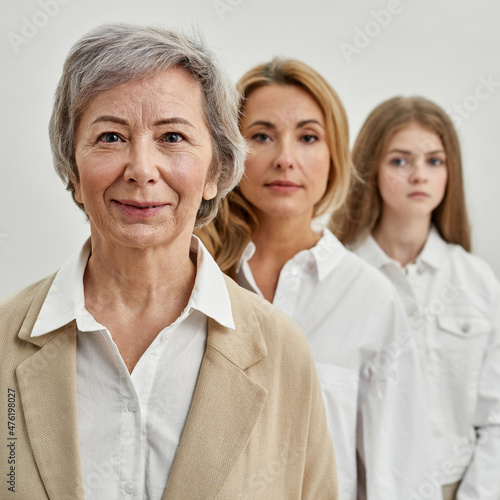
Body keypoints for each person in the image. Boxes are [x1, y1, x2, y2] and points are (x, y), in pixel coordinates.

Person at [0, 24, 338, 500]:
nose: (141, 169)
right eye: (112, 137)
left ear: (216, 172)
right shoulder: (2, 344)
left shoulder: (283, 352)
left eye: (173, 137)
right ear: (72, 170)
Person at [197, 59, 441, 500]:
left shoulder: (369, 296)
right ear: (230, 151)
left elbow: (401, 473)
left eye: (308, 137)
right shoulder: (191, 279)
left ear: (334, 155)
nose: (286, 159)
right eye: (262, 136)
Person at [331, 96, 500, 500]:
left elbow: (495, 414)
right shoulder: (339, 275)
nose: (419, 175)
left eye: (434, 161)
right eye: (400, 161)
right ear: (370, 168)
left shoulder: (475, 280)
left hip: (458, 486)